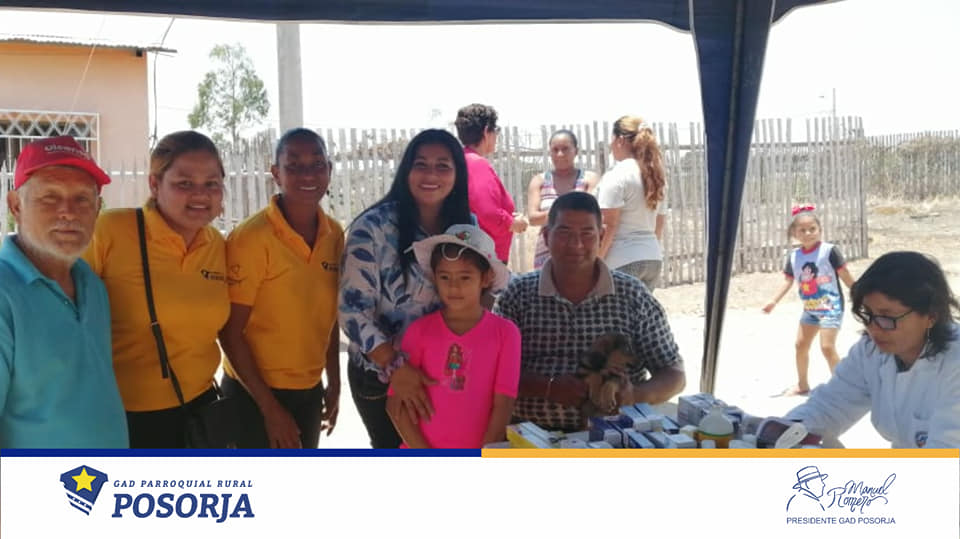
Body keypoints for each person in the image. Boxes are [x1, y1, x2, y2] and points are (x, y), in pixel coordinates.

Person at [494, 191, 685, 432]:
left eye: (587, 234)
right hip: (530, 436)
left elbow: (674, 374)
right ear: (546, 236)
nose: (576, 245)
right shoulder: (518, 295)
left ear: (601, 236)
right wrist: (548, 387)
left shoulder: (632, 295)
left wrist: (634, 395)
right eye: (564, 233)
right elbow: (491, 370)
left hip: (618, 436)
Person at [85, 131, 229, 448]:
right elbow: (65, 315)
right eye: (184, 183)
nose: (201, 194)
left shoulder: (217, 245)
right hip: (126, 418)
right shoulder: (110, 231)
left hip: (202, 410)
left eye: (212, 183)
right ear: (154, 184)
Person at [339, 128, 474, 448]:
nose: (431, 175)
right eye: (421, 164)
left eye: (443, 166)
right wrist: (396, 368)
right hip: (382, 376)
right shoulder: (372, 228)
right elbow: (352, 311)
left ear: (457, 174)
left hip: (442, 371)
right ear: (406, 171)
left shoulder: (466, 228)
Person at [219, 128, 343, 449]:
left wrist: (334, 380)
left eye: (317, 164)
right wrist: (270, 409)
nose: (308, 174)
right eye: (294, 165)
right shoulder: (251, 238)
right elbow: (230, 333)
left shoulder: (334, 235)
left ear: (329, 170)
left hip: (308, 391)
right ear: (276, 173)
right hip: (252, 394)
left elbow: (329, 316)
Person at [1, 135, 127, 448]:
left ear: (97, 209)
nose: (68, 212)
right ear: (15, 205)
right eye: (50, 197)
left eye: (82, 199)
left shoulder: (91, 284)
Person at [785, 251, 960, 448]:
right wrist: (784, 433)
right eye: (867, 314)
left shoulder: (955, 364)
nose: (874, 328)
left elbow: (944, 457)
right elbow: (829, 406)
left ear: (931, 316)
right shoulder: (870, 351)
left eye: (887, 317)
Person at [387, 224, 519, 448]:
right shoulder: (419, 331)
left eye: (465, 277)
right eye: (445, 277)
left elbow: (503, 406)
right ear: (434, 277)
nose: (454, 287)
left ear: (486, 278)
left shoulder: (506, 334)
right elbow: (395, 405)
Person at [762, 205, 855, 397]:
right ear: (794, 233)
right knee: (800, 345)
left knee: (827, 347)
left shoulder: (829, 251)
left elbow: (844, 274)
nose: (808, 233)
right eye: (802, 230)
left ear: (820, 229)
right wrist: (773, 301)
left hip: (831, 307)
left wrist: (859, 293)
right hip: (810, 309)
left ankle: (842, 388)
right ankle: (802, 385)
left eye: (812, 229)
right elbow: (788, 281)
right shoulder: (794, 257)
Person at [596, 115, 668, 290]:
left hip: (622, 259)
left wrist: (596, 263)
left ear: (620, 140)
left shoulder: (617, 175)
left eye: (612, 139)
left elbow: (609, 225)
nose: (610, 145)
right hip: (652, 258)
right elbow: (659, 224)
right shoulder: (656, 176)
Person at [455, 103, 527, 264]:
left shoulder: (462, 160)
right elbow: (487, 213)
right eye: (496, 130)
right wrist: (513, 223)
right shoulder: (476, 164)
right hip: (485, 258)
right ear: (486, 131)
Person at [526, 129, 599, 268]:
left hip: (579, 251)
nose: (560, 154)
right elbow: (533, 218)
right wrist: (568, 213)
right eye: (555, 150)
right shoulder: (539, 181)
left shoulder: (589, 180)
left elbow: (593, 214)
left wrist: (555, 216)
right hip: (546, 253)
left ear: (576, 151)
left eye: (565, 149)